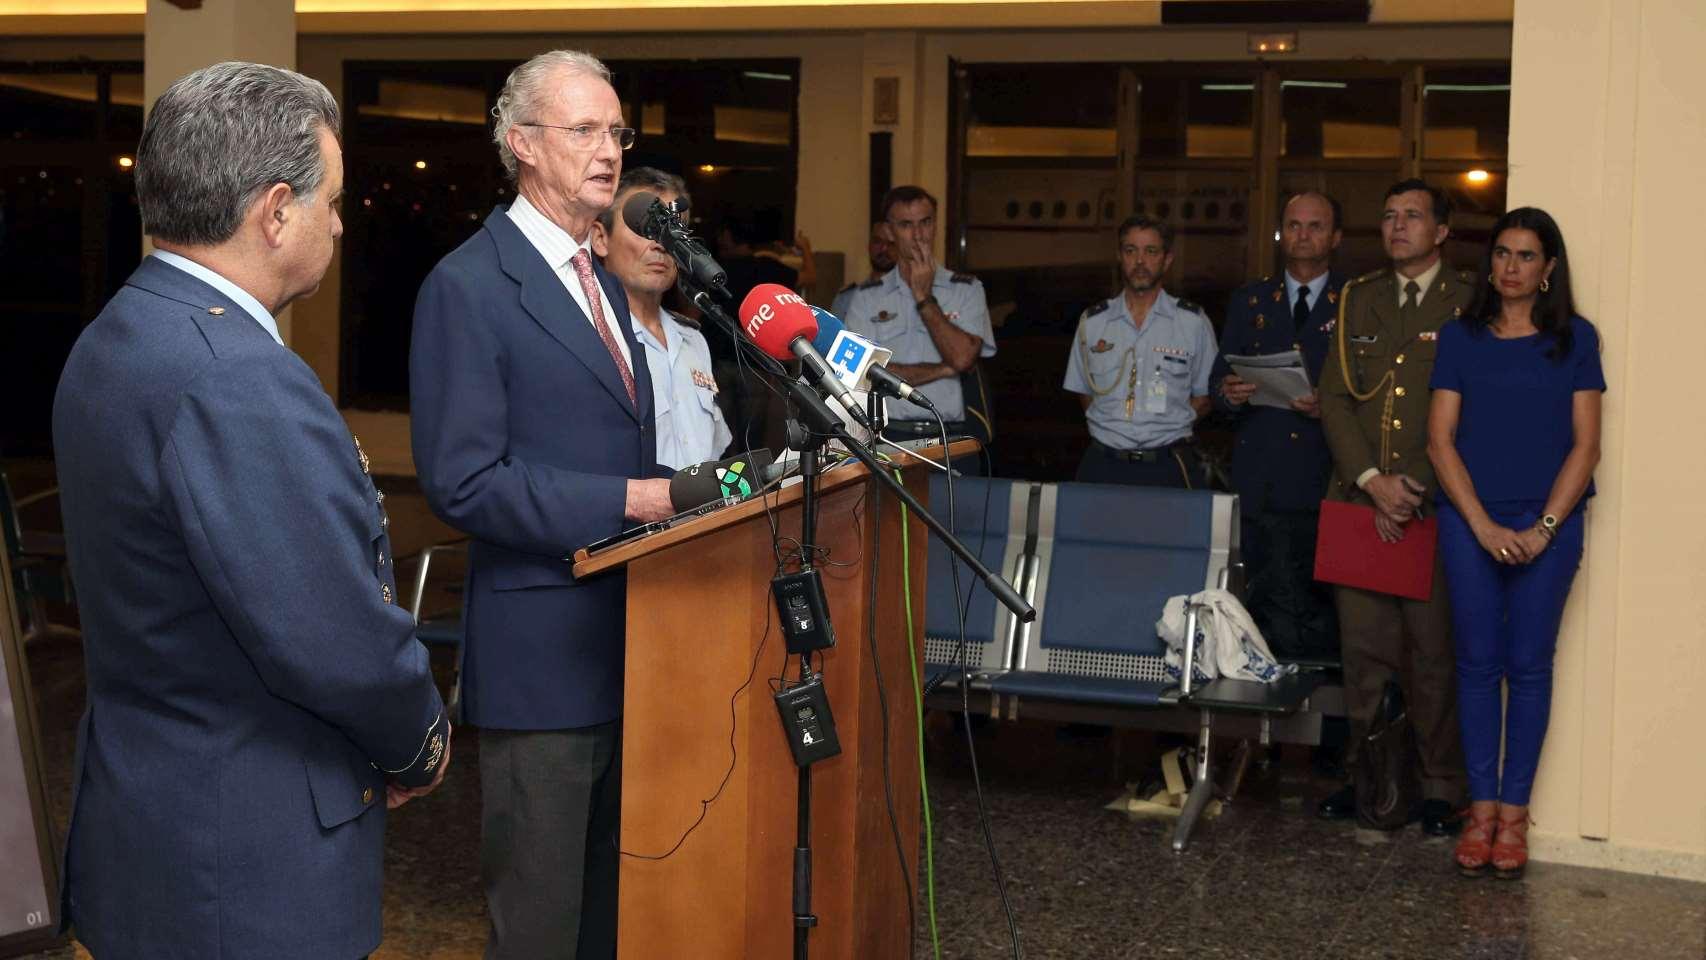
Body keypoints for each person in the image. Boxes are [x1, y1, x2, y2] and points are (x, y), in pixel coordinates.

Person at [51, 61, 449, 960]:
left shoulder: (115, 334)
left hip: (150, 826)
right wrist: (421, 743)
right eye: (333, 201)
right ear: (274, 211)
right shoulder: (239, 379)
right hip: (246, 866)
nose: (342, 224)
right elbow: (334, 639)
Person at [409, 50, 674, 960]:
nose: (610, 152)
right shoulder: (470, 286)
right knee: (540, 930)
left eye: (617, 132)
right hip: (542, 662)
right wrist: (633, 500)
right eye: (585, 131)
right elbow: (464, 480)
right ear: (523, 145)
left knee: (605, 921)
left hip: (635, 648)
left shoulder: (599, 275)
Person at [1427, 207, 1603, 878]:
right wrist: (1482, 526)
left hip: (1549, 527)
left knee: (1529, 665)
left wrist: (1542, 531)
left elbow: (1586, 448)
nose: (1511, 267)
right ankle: (1480, 812)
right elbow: (1440, 440)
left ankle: (1515, 817)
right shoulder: (1460, 337)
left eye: (1526, 256)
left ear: (1549, 268)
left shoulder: (1576, 340)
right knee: (1476, 665)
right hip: (1471, 523)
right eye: (1502, 253)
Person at [1317, 178, 1472, 835]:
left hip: (1430, 505)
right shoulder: (1360, 298)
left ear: (1441, 231)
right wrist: (1374, 479)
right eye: (1388, 216)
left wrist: (1410, 489)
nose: (1397, 226)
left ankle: (1440, 785)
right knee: (1364, 653)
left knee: (1432, 654)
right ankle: (1371, 778)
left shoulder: (1468, 300)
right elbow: (1334, 398)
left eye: (1412, 217)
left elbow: (1475, 410)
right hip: (1361, 500)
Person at [1211, 192, 1346, 660]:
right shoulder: (1251, 299)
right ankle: (1262, 727)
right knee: (1264, 613)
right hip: (1263, 480)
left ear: (1335, 237)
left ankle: (1320, 727)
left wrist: (1329, 407)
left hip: (1326, 480)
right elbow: (1218, 377)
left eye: (1314, 226)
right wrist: (1226, 394)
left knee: (1325, 618)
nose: (1302, 235)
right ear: (1280, 234)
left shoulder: (1353, 300)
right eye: (1293, 225)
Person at [590, 166, 732, 469]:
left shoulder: (693, 340)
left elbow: (714, 454)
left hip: (707, 516)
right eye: (645, 228)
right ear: (600, 238)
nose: (660, 243)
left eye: (673, 229)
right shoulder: (589, 340)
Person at [1063, 214, 1217, 487]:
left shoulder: (1192, 323)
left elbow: (1205, 397)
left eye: (1151, 251)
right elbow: (1085, 393)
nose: (1140, 261)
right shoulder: (1093, 322)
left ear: (1167, 259)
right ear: (1120, 256)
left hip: (1169, 465)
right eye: (1130, 250)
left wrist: (1167, 425)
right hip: (1104, 464)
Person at [842, 185, 995, 439]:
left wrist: (923, 297)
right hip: (889, 435)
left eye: (925, 222)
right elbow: (860, 372)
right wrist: (943, 370)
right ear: (890, 231)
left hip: (952, 436)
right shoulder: (867, 297)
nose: (918, 235)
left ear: (936, 225)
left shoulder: (967, 289)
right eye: (905, 225)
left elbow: (962, 359)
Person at [830, 220, 897, 319]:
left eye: (891, 243)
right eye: (877, 242)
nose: (884, 249)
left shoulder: (910, 296)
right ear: (869, 245)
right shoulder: (847, 298)